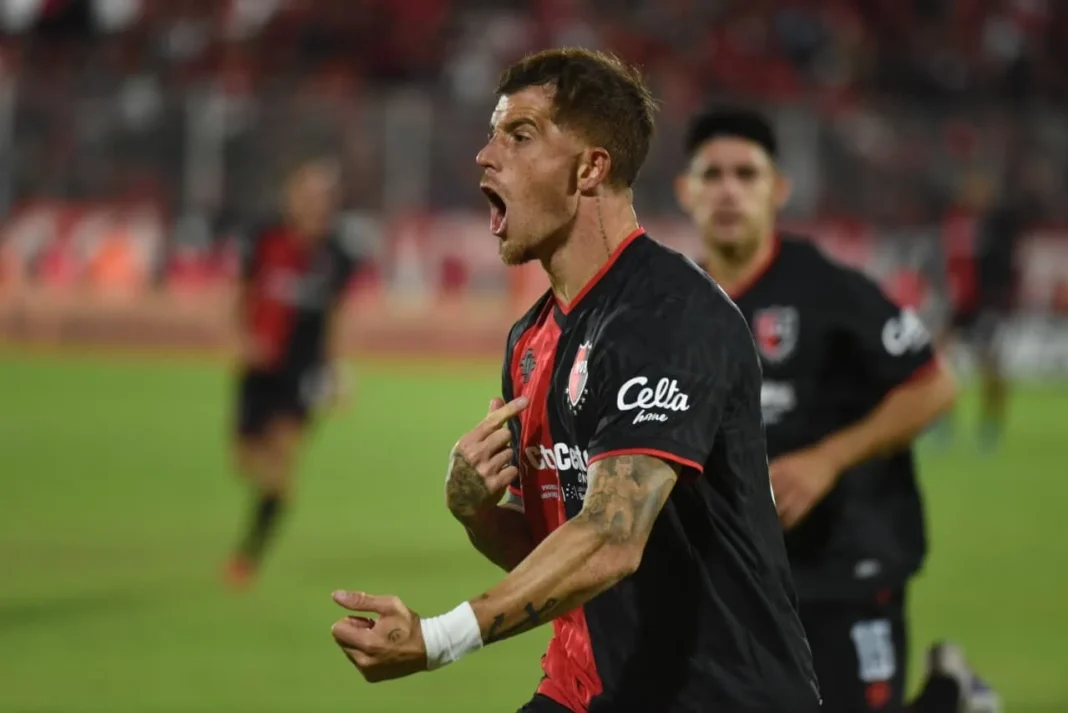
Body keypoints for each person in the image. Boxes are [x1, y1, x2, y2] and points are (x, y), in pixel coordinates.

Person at [328, 48, 821, 713]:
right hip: (588, 689)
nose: (483, 154)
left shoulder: (668, 317)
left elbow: (613, 537)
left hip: (719, 693)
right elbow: (554, 551)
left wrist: (439, 637)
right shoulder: (531, 341)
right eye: (492, 132)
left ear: (591, 168)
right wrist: (475, 510)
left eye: (520, 135)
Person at [674, 106, 1001, 713]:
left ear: (779, 190)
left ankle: (953, 696)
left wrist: (828, 458)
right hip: (742, 575)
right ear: (685, 191)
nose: (727, 191)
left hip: (850, 558)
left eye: (746, 175)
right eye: (711, 175)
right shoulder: (678, 306)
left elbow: (934, 387)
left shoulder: (828, 289)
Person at [225, 156, 358, 587]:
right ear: (292, 198)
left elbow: (338, 315)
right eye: (311, 196)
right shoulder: (263, 238)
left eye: (326, 198)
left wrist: (337, 371)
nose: (320, 205)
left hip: (303, 374)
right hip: (260, 367)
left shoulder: (337, 254)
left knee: (282, 465)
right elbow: (241, 293)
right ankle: (269, 503)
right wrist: (242, 339)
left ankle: (247, 556)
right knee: (244, 459)